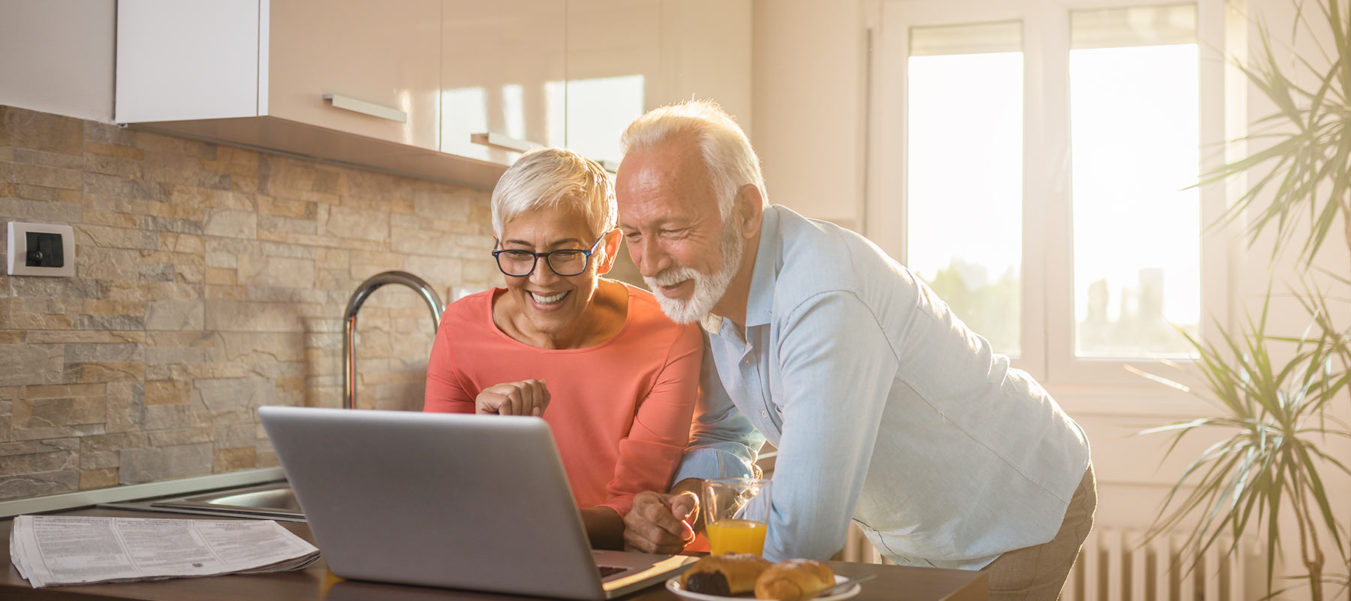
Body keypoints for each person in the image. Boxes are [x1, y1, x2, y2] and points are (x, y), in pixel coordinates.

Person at [615, 100, 1095, 601]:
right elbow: (723, 432)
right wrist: (684, 505)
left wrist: (697, 566)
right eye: (633, 234)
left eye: (671, 230)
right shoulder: (710, 286)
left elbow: (802, 526)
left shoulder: (824, 294)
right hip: (925, 529)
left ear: (745, 212)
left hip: (1013, 509)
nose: (649, 262)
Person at [424, 147, 704, 551]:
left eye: (566, 253)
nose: (541, 279)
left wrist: (516, 519)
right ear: (499, 245)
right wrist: (483, 443)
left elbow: (634, 510)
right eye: (519, 253)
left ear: (606, 251)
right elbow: (438, 488)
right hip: (486, 557)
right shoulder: (458, 328)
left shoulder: (668, 334)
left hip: (610, 566)